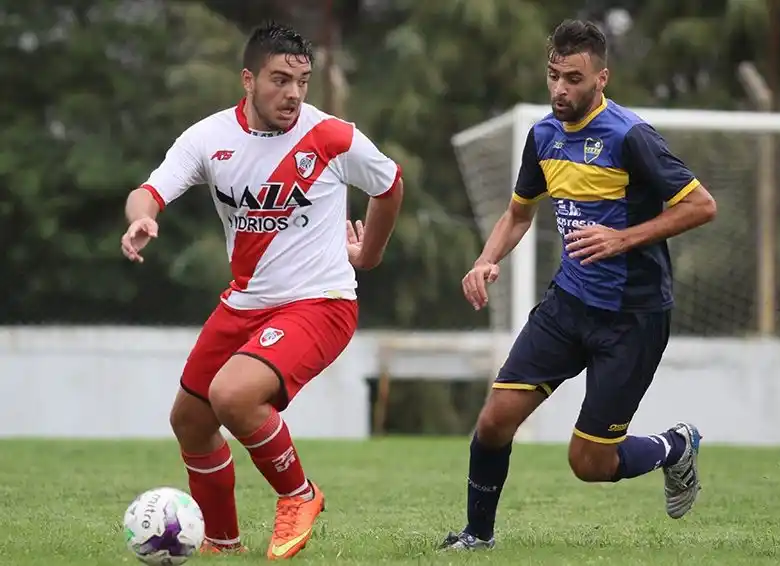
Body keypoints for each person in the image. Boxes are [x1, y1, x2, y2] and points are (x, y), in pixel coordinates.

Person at [120, 22, 403, 560]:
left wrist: (369, 255)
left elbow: (390, 184)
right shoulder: (209, 138)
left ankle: (299, 494)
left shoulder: (332, 136)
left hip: (321, 303)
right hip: (246, 302)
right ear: (248, 80)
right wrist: (143, 219)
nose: (293, 93)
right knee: (191, 420)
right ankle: (222, 545)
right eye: (279, 80)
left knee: (232, 395)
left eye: (302, 81)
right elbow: (148, 191)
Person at [440, 19, 717, 551]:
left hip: (633, 319)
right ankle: (478, 537)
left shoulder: (630, 136)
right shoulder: (542, 135)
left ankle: (675, 446)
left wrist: (622, 238)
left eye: (573, 77)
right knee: (495, 420)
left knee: (588, 463)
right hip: (567, 305)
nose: (560, 89)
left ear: (601, 78)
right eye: (553, 76)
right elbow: (518, 215)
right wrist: (485, 260)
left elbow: (701, 205)